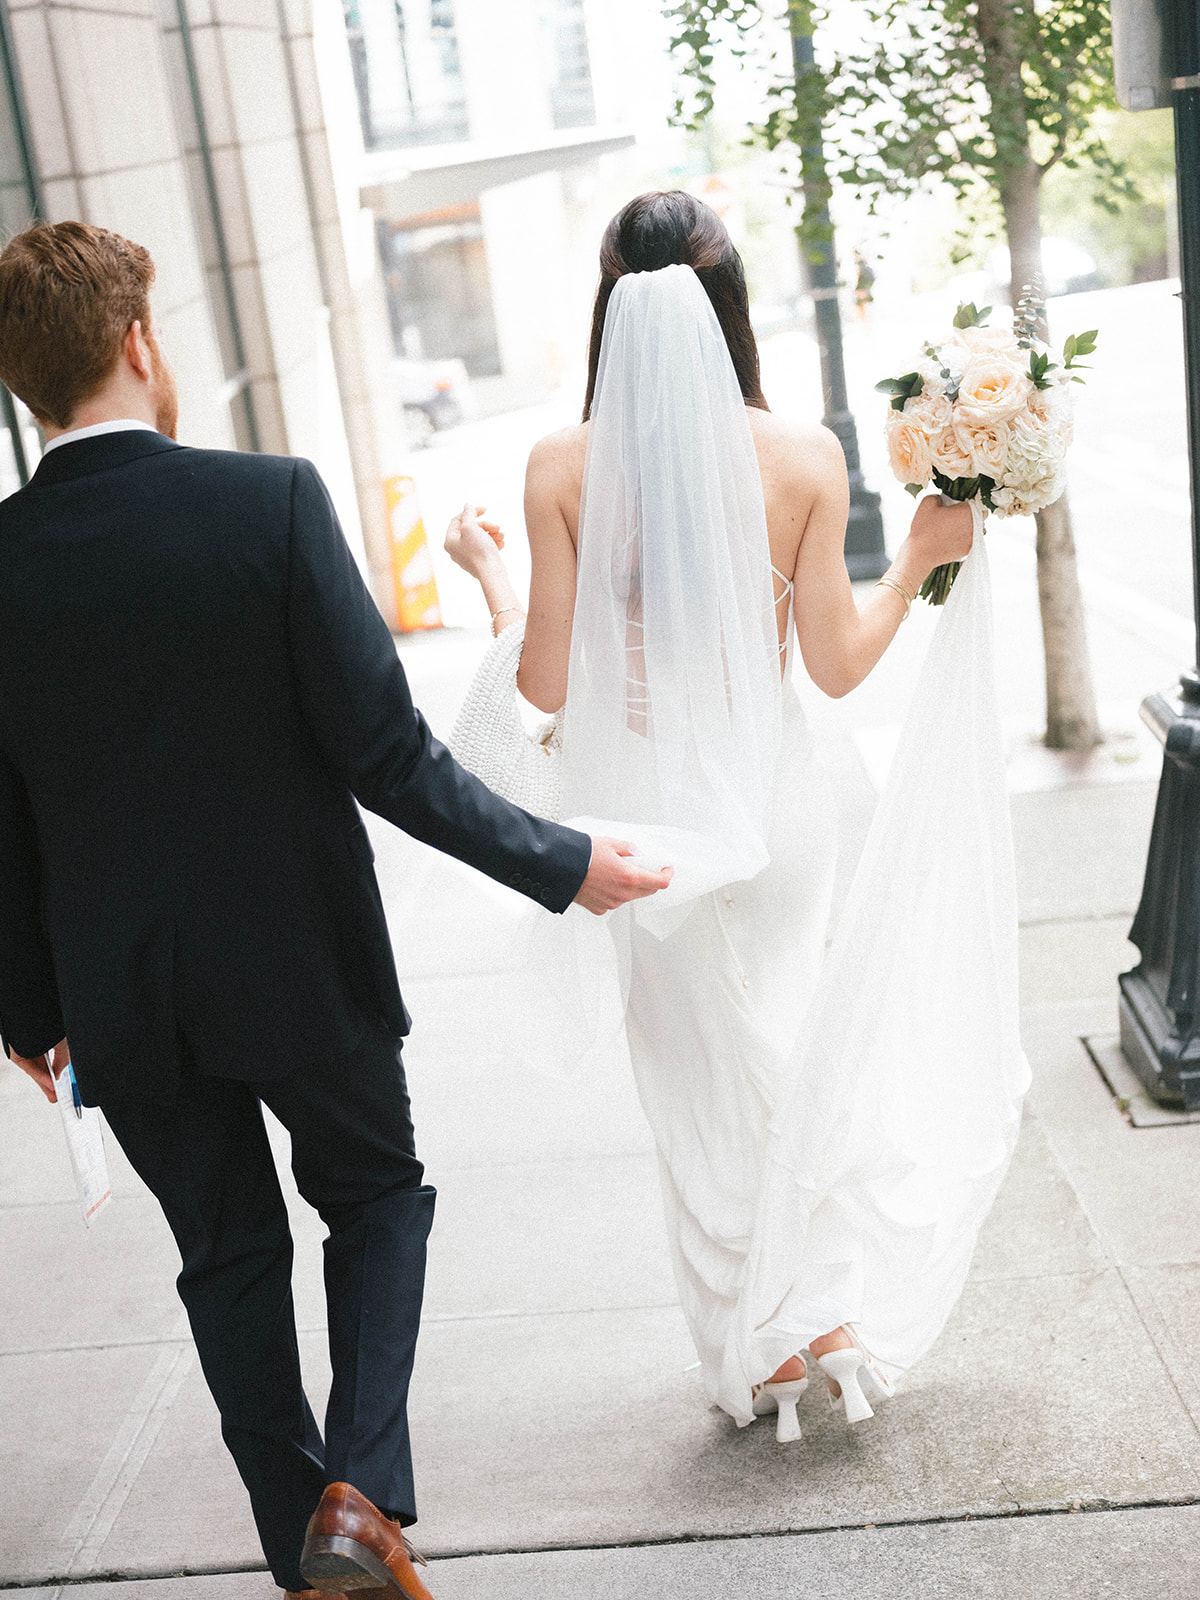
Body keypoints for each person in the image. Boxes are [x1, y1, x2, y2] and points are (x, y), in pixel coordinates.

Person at [0, 221, 670, 1600]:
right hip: (300, 959)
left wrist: (28, 1010)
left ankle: (310, 1558)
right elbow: (390, 758)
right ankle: (361, 1499)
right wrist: (561, 860)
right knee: (375, 1198)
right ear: (139, 343)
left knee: (227, 1263)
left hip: (125, 992)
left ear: (26, 388)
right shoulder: (272, 504)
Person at [444, 190, 1028, 1444]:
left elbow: (542, 685)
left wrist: (490, 573)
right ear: (733, 306)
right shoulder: (803, 458)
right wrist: (921, 555)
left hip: (639, 832)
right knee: (784, 1044)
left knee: (702, 1085)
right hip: (775, 810)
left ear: (610, 308)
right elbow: (835, 665)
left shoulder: (560, 465)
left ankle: (764, 1348)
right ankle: (822, 1313)